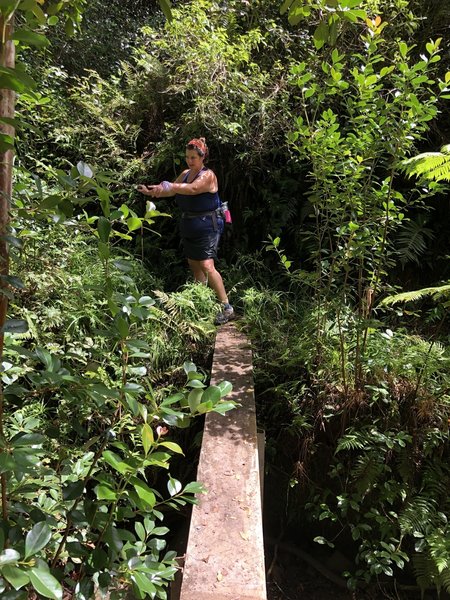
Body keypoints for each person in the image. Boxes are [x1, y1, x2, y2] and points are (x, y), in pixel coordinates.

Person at [137, 137, 234, 325]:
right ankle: (201, 301)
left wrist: (170, 185)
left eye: (193, 158)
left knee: (207, 265)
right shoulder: (185, 174)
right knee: (194, 264)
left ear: (202, 157)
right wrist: (153, 191)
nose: (190, 161)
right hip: (190, 225)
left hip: (208, 224)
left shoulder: (208, 176)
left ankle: (226, 307)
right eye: (188, 157)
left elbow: (191, 189)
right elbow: (171, 191)